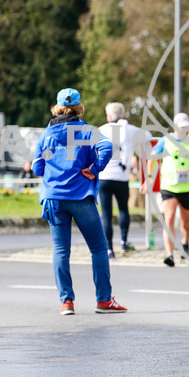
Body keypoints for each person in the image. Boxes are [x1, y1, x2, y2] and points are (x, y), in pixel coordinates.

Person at [33, 88, 127, 315]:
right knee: (98, 248)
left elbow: (37, 167)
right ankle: (104, 300)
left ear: (57, 107)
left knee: (61, 251)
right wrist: (94, 169)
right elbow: (106, 147)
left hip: (54, 199)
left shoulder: (47, 135)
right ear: (79, 107)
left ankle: (66, 302)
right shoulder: (86, 131)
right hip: (80, 197)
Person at [150, 113, 189, 267]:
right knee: (169, 219)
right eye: (181, 126)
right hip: (169, 186)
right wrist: (150, 178)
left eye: (187, 126)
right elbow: (152, 157)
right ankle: (169, 254)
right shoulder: (166, 140)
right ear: (175, 126)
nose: (184, 129)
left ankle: (185, 242)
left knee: (185, 223)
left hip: (188, 187)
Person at [98, 102, 148, 258]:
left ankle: (108, 248)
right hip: (121, 176)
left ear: (108, 115)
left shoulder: (101, 130)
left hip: (104, 176)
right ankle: (124, 242)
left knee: (106, 213)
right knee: (123, 210)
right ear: (122, 115)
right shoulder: (129, 130)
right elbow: (148, 136)